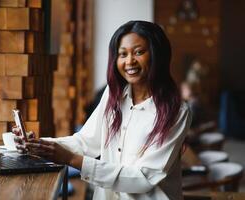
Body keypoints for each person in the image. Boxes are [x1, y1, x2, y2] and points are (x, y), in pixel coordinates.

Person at [14, 21, 191, 200]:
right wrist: (38, 145)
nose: (129, 61)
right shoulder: (113, 94)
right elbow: (85, 142)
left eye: (139, 52)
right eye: (122, 54)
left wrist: (71, 159)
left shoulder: (176, 111)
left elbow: (143, 178)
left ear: (157, 55)